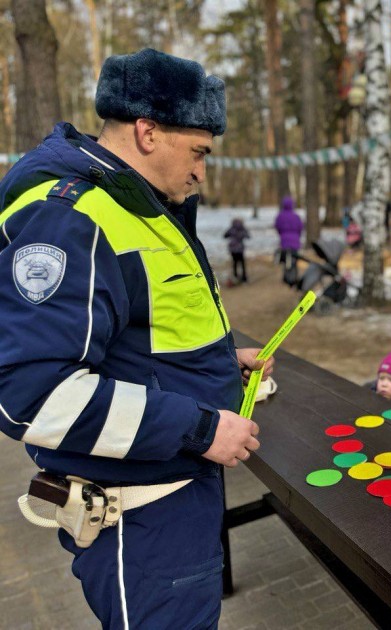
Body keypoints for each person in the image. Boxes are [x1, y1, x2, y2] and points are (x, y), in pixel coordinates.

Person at [0, 48, 273, 627]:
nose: (202, 171)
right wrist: (200, 426)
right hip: (141, 522)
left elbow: (139, 334)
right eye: (198, 152)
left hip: (170, 501)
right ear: (148, 132)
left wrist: (223, 363)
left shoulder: (138, 206)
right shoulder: (73, 216)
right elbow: (30, 395)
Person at [274, 195, 303, 285]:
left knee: (286, 259)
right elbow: (300, 227)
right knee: (294, 258)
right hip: (295, 240)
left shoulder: (280, 216)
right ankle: (294, 276)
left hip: (284, 240)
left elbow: (277, 226)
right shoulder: (296, 216)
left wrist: (282, 234)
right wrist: (297, 235)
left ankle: (286, 276)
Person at [224, 217, 250, 283]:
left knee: (235, 262)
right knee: (242, 263)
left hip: (232, 248)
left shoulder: (232, 228)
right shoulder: (242, 228)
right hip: (240, 249)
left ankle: (235, 276)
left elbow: (225, 235)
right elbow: (247, 236)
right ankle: (244, 277)